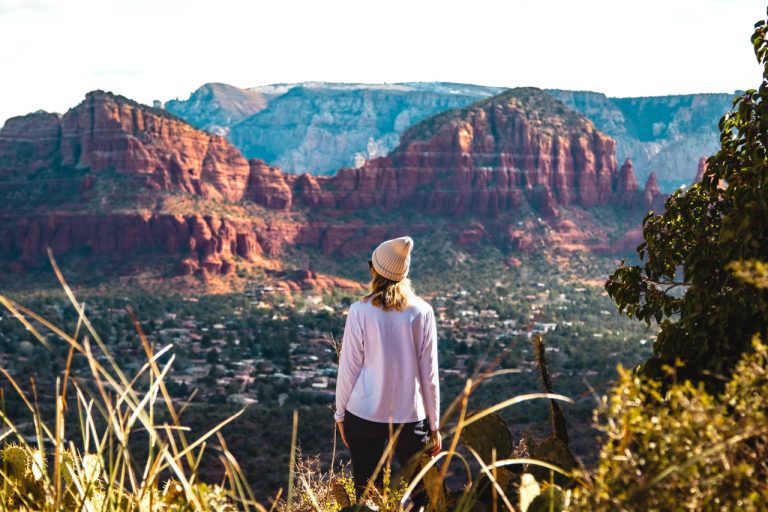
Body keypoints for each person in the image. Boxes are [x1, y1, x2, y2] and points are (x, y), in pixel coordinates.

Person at [334, 236, 442, 509]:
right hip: (410, 417)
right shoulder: (423, 312)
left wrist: (340, 414)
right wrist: (434, 425)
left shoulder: (359, 311)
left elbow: (349, 367)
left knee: (366, 494)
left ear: (375, 270)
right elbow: (430, 375)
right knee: (421, 497)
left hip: (364, 413)